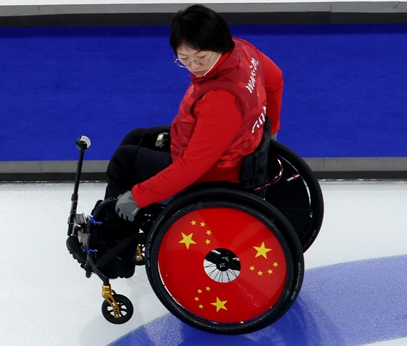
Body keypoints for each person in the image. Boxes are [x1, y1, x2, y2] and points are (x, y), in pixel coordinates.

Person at [106, 4, 284, 221]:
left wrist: (138, 197)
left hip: (218, 173)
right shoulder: (243, 50)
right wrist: (271, 128)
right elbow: (275, 79)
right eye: (184, 58)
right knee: (137, 137)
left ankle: (113, 227)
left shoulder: (221, 99)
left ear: (218, 44)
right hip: (236, 146)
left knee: (124, 161)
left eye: (201, 57)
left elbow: (193, 167)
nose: (194, 66)